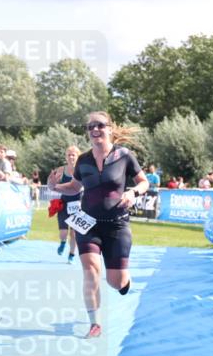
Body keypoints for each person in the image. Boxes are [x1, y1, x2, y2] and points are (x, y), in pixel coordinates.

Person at [50, 112, 149, 338]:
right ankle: (95, 323)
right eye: (90, 127)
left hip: (117, 225)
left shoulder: (125, 156)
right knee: (91, 270)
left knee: (117, 282)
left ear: (110, 128)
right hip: (88, 224)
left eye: (100, 125)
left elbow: (143, 182)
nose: (95, 130)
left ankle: (125, 280)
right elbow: (75, 187)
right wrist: (56, 187)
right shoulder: (83, 160)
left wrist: (133, 192)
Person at [47, 145, 81, 263]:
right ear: (66, 157)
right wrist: (51, 183)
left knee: (74, 233)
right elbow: (51, 184)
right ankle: (62, 242)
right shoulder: (61, 170)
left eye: (73, 155)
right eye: (69, 155)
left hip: (78, 205)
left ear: (78, 156)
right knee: (63, 232)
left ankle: (71, 255)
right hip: (64, 203)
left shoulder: (82, 169)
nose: (71, 157)